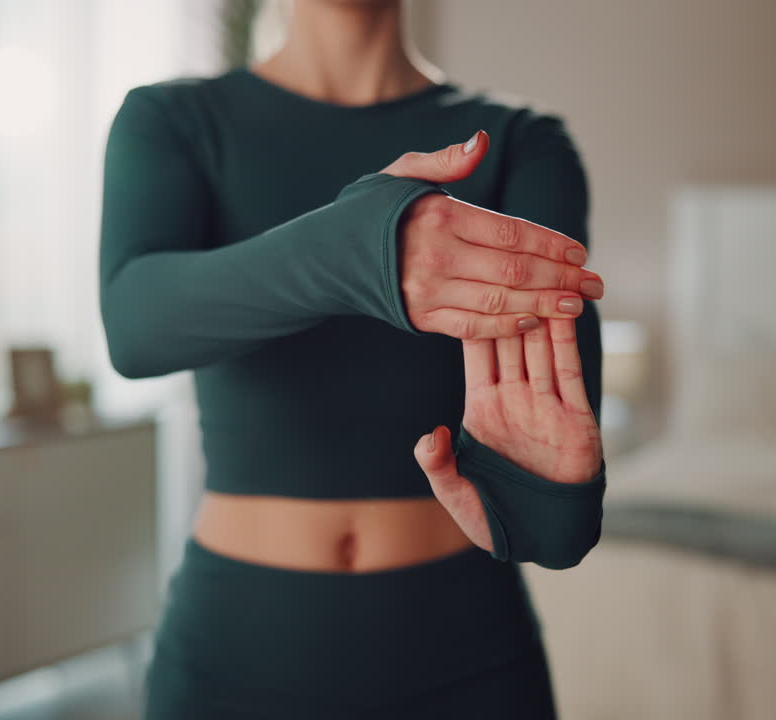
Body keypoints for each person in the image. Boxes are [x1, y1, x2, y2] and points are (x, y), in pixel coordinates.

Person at [99, 0, 607, 717]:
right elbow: (134, 326)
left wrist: (551, 500)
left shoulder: (521, 141)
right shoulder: (172, 120)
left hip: (470, 658)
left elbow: (557, 440)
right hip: (234, 656)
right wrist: (349, 251)